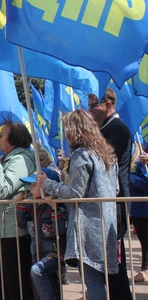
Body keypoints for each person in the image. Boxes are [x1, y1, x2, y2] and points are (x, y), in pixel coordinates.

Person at [36, 110, 118, 300]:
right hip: (105, 224)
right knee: (98, 281)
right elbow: (113, 189)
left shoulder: (82, 155)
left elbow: (76, 193)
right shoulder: (106, 154)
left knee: (93, 282)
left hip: (88, 227)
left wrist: (47, 184)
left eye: (66, 128)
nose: (65, 133)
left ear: (75, 130)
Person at [0, 119, 36, 300]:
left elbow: (2, 191)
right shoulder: (5, 159)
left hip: (15, 230)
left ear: (13, 140)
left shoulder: (20, 160)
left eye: (2, 136)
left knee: (16, 282)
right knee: (8, 283)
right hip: (2, 229)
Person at [88, 88, 132, 300]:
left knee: (114, 267)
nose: (89, 110)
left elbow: (103, 159)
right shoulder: (107, 128)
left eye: (92, 105)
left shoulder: (117, 128)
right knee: (108, 266)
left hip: (113, 205)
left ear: (107, 104)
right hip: (106, 205)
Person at [17, 168, 67, 300]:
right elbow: (21, 225)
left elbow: (59, 230)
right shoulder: (31, 205)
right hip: (38, 254)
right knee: (47, 284)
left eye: (34, 185)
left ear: (46, 188)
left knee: (37, 271)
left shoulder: (56, 205)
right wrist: (20, 206)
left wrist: (54, 210)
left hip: (56, 253)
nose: (30, 188)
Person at [129, 143, 148, 282]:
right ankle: (145, 268)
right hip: (138, 209)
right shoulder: (135, 160)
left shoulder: (142, 159)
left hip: (143, 207)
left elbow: (145, 183)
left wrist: (126, 177)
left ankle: (145, 269)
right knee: (144, 239)